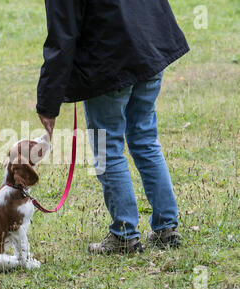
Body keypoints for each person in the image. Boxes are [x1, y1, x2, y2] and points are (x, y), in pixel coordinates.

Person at [37, 0, 189, 253]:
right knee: (145, 139)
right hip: (149, 47)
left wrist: (47, 102)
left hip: (109, 62)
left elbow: (61, 37)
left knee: (108, 149)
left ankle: (124, 234)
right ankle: (166, 228)